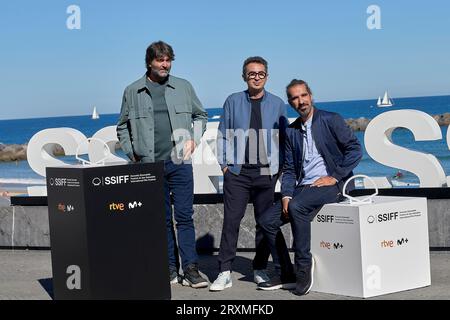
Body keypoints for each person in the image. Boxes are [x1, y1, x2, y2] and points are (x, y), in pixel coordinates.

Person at [116, 41, 209, 288]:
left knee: (184, 217)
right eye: (160, 60)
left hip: (179, 162)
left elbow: (201, 115)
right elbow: (122, 126)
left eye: (168, 60)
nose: (165, 64)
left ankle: (190, 269)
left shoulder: (184, 87)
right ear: (150, 62)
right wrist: (132, 153)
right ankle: (169, 267)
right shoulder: (132, 91)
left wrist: (194, 139)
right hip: (148, 165)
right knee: (161, 219)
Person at [257, 79, 362, 295]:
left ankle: (303, 266)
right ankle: (285, 273)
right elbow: (289, 169)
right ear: (290, 102)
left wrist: (334, 176)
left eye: (303, 95)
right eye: (295, 98)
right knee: (267, 220)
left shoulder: (330, 120)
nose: (300, 101)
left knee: (297, 208)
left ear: (311, 96)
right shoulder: (292, 130)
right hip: (304, 188)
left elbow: (354, 149)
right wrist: (285, 194)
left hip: (335, 185)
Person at [210, 56, 289, 291]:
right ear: (244, 76)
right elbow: (223, 134)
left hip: (266, 172)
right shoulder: (233, 101)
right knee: (231, 222)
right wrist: (224, 166)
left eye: (261, 73)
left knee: (263, 223)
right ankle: (224, 271)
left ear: (267, 76)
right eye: (252, 73)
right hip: (238, 172)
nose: (256, 77)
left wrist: (280, 167)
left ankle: (260, 268)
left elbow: (283, 138)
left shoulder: (277, 103)